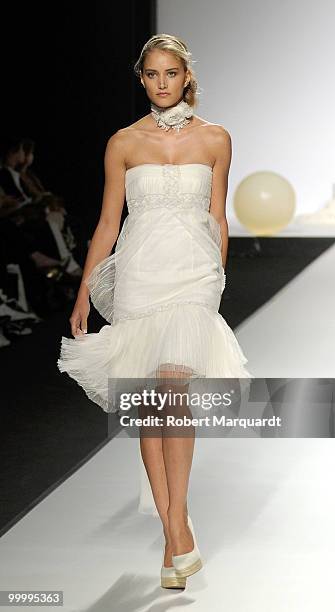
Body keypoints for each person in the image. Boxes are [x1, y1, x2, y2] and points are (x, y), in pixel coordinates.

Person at [57, 33, 253, 589]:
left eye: (171, 73)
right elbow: (106, 223)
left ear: (186, 76)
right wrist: (82, 291)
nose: (162, 83)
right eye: (151, 75)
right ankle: (175, 533)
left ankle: (176, 528)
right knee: (149, 404)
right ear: (141, 79)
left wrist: (216, 277)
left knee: (173, 396)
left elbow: (218, 215)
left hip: (192, 277)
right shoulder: (123, 143)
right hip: (141, 276)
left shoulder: (216, 139)